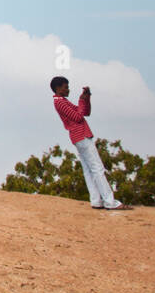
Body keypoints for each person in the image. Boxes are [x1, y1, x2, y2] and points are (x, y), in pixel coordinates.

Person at [51, 77, 131, 211]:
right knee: (97, 168)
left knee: (89, 170)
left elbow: (85, 112)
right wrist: (82, 100)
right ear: (58, 88)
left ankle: (96, 200)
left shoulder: (62, 101)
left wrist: (86, 99)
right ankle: (110, 202)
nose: (68, 89)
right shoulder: (60, 102)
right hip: (81, 135)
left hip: (78, 136)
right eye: (65, 87)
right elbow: (78, 117)